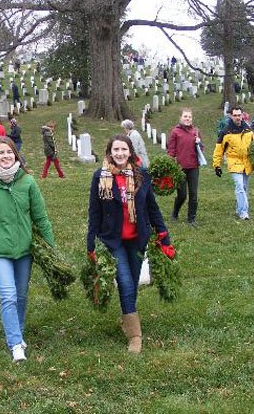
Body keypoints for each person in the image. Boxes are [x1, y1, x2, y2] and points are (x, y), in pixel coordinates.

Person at [0, 136, 55, 362]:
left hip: (24, 251)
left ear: (16, 154)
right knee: (9, 295)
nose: (6, 156)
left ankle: (18, 331)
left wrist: (51, 248)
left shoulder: (27, 182)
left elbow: (41, 217)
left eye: (10, 152)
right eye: (1, 153)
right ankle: (15, 345)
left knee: (21, 295)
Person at [87, 135, 170, 354]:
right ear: (109, 152)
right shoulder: (100, 177)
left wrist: (164, 236)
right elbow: (94, 212)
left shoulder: (142, 175)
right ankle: (135, 336)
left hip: (137, 238)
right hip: (113, 240)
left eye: (124, 149)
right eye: (116, 149)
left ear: (130, 152)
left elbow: (152, 208)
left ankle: (127, 318)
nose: (120, 153)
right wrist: (90, 245)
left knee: (132, 282)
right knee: (124, 281)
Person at [213, 105, 254, 220]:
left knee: (244, 188)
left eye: (239, 115)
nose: (237, 117)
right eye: (235, 115)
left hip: (247, 162)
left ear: (242, 115)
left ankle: (238, 208)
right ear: (231, 116)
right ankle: (243, 212)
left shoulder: (249, 130)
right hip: (234, 162)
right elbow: (219, 149)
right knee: (240, 186)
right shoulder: (225, 132)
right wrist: (217, 165)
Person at [167, 109, 202, 226]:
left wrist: (199, 142)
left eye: (189, 117)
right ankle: (175, 212)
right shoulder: (175, 132)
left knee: (193, 194)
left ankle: (191, 218)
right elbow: (171, 150)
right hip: (180, 168)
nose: (188, 118)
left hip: (193, 167)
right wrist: (171, 163)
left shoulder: (195, 131)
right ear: (181, 118)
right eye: (185, 116)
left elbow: (201, 149)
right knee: (182, 194)